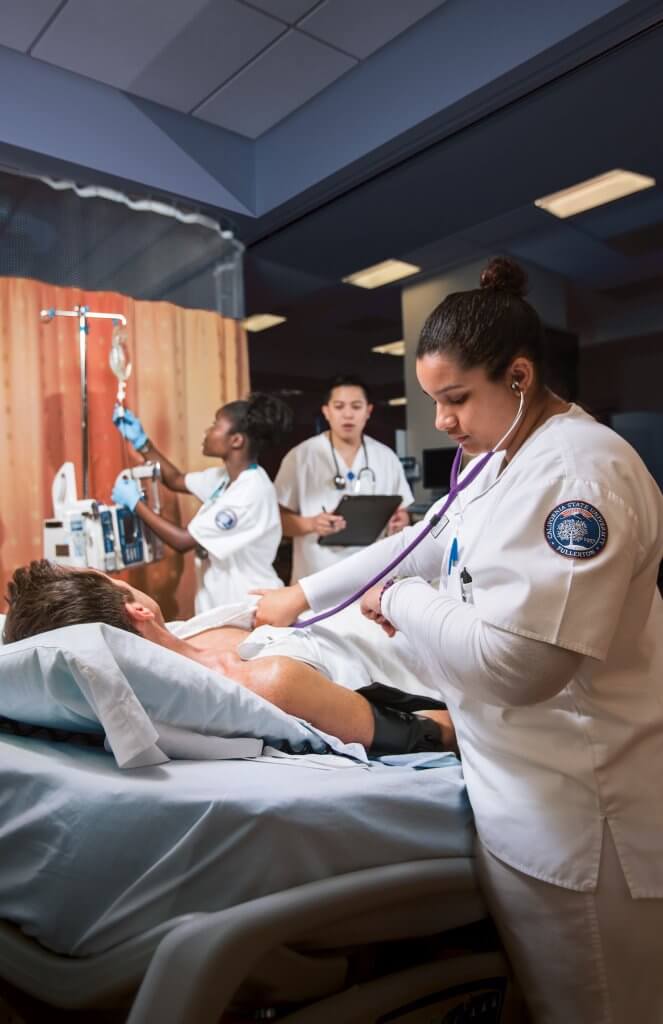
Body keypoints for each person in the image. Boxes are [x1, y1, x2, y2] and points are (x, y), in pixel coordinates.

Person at [253, 257, 663, 1023]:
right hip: (519, 794)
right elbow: (418, 543)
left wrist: (404, 602)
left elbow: (522, 663)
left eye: (454, 399)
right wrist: (298, 596)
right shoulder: (495, 463)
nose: (439, 421)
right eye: (431, 399)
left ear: (516, 375)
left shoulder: (578, 473)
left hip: (582, 810)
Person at [2, 560, 455, 758]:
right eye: (114, 578)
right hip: (437, 644)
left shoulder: (181, 636)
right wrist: (405, 601)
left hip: (407, 609)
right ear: (136, 610)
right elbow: (434, 734)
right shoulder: (268, 681)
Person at [112, 393, 292, 612]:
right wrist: (142, 442)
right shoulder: (226, 479)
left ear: (236, 440)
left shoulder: (249, 492)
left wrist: (136, 504)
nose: (207, 432)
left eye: (215, 426)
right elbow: (175, 480)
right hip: (221, 604)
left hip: (247, 605)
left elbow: (183, 541)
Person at [274, 375, 414, 582]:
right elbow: (277, 520)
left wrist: (402, 520)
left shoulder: (386, 457)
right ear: (326, 411)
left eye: (356, 407)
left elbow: (402, 511)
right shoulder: (301, 456)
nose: (348, 414)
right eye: (339, 407)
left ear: (368, 411)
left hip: (372, 574)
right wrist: (312, 524)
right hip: (317, 575)